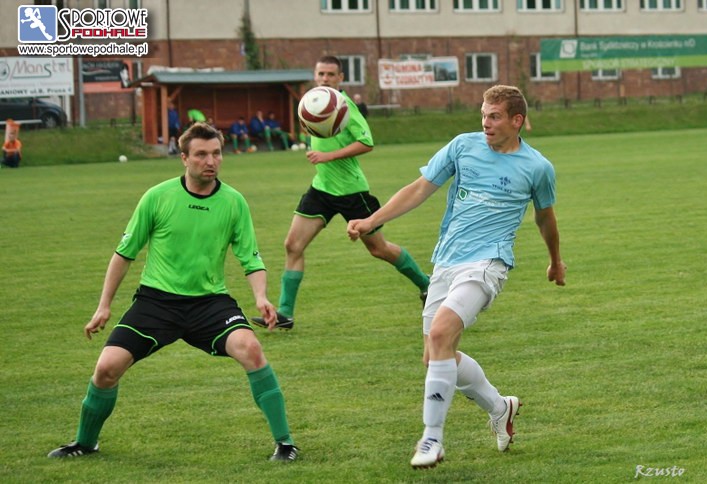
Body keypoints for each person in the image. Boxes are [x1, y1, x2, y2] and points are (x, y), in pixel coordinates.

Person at [47, 122, 299, 462]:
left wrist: (261, 297)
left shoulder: (234, 202)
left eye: (216, 154)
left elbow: (250, 258)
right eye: (201, 155)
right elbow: (124, 254)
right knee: (107, 368)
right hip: (157, 302)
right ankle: (85, 443)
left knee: (251, 348)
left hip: (210, 303)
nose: (210, 161)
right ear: (184, 158)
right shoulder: (157, 197)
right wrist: (104, 306)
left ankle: (285, 443)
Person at [347, 85, 567, 469]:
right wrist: (372, 220)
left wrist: (555, 261)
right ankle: (499, 407)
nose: (486, 123)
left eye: (494, 116)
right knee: (435, 354)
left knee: (440, 334)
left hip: (488, 263)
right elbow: (420, 189)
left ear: (516, 120)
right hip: (447, 261)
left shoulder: (537, 167)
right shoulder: (463, 146)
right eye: (483, 114)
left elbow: (544, 218)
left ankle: (431, 439)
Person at [251, 55, 429, 331]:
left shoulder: (345, 106)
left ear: (340, 78)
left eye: (331, 74)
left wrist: (328, 156)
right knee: (292, 245)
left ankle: (427, 285)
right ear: (315, 75)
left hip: (352, 192)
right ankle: (285, 313)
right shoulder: (313, 102)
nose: (325, 79)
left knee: (379, 249)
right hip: (321, 188)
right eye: (321, 73)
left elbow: (367, 142)